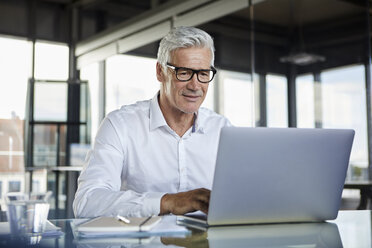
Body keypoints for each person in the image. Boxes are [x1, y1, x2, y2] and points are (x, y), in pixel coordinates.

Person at [73, 26, 231, 218]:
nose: (195, 85)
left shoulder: (223, 130)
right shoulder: (120, 125)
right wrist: (167, 202)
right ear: (160, 72)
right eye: (184, 72)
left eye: (203, 74)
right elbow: (87, 202)